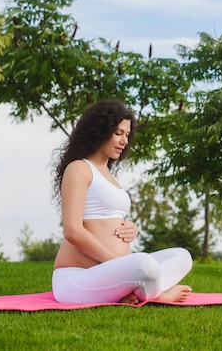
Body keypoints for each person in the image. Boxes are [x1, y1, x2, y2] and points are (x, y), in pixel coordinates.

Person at [51, 99, 193, 304]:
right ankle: (159, 295)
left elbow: (110, 219)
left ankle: (138, 291)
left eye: (127, 135)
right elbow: (73, 231)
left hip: (112, 272)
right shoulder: (78, 168)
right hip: (77, 278)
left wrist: (131, 230)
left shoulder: (107, 174)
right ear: (98, 131)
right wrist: (122, 263)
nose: (124, 141)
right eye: (118, 133)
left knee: (181, 256)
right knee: (145, 264)